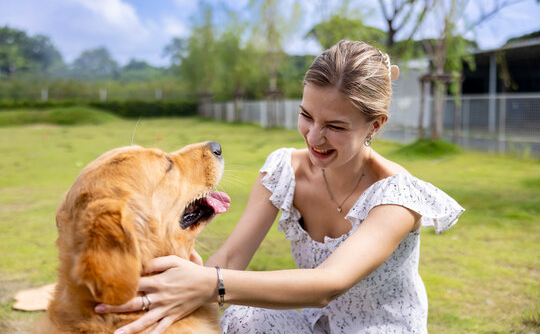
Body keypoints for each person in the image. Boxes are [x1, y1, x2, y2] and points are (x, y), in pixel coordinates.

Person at [96, 40, 465, 334]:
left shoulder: (396, 197)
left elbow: (327, 285)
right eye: (306, 116)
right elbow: (232, 258)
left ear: (376, 125)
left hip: (377, 330)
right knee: (238, 318)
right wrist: (162, 301)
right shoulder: (284, 170)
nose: (314, 137)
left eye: (335, 126)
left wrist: (209, 284)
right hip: (312, 325)